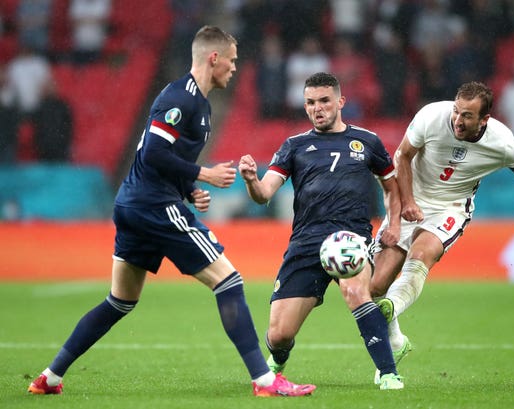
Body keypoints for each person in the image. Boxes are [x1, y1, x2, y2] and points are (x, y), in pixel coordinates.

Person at [27, 25, 315, 398]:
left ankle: (49, 378)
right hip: (153, 206)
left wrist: (190, 189)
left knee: (120, 301)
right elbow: (152, 154)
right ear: (214, 58)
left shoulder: (198, 103)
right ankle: (264, 381)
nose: (235, 67)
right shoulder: (183, 99)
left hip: (135, 203)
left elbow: (164, 159)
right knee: (229, 281)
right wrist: (203, 173)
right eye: (232, 60)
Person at [370, 81, 514, 380]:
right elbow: (403, 156)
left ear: (484, 119)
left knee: (421, 253)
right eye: (456, 112)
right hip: (411, 198)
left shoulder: (502, 143)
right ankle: (396, 340)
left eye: (467, 116)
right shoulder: (431, 116)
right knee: (374, 286)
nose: (457, 121)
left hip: (450, 208)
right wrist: (407, 203)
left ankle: (393, 307)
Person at [238, 72, 405, 390]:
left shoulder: (367, 141)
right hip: (305, 241)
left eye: (325, 101)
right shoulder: (294, 146)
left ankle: (388, 373)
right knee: (279, 334)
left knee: (355, 292)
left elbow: (391, 187)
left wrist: (393, 223)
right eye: (311, 103)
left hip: (349, 238)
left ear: (340, 101)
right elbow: (264, 194)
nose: (318, 108)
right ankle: (280, 359)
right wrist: (250, 179)